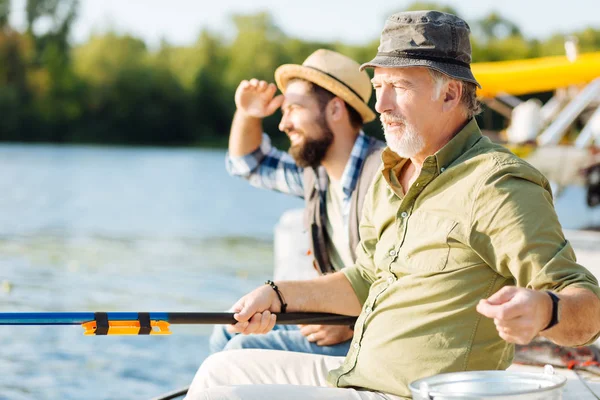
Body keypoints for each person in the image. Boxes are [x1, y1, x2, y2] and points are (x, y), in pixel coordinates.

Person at [187, 10, 600, 400]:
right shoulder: (393, 174)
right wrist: (277, 293)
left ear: (451, 93)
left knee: (229, 394)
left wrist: (546, 310)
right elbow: (366, 279)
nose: (381, 106)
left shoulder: (496, 183)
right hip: (353, 375)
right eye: (379, 86)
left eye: (398, 87)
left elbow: (588, 309)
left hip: (403, 393)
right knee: (219, 372)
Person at [209, 49, 385, 356]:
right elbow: (248, 163)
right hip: (338, 317)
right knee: (226, 331)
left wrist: (355, 321)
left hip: (375, 334)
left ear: (335, 109)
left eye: (293, 109)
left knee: (243, 348)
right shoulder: (317, 175)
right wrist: (248, 113)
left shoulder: (386, 175)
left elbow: (406, 278)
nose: (283, 124)